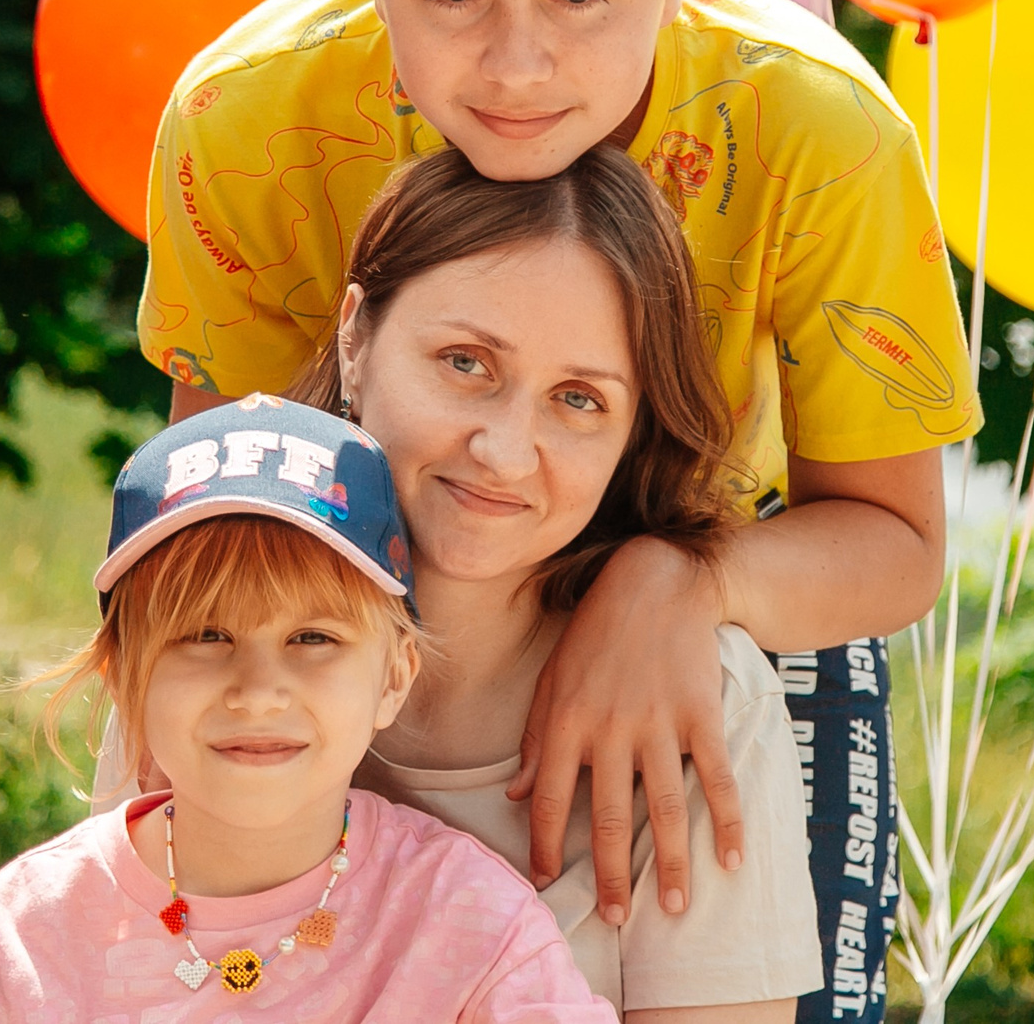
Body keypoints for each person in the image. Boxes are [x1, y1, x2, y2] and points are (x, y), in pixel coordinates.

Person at [140, 0, 976, 1022]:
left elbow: (894, 541)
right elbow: (219, 524)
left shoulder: (822, 130)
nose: (518, 64)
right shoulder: (246, 114)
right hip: (356, 599)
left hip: (737, 569)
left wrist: (679, 584)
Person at [106, 147, 823, 1018]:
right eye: (464, 363)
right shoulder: (204, 646)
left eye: (580, 399)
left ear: (635, 432)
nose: (504, 451)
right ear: (357, 336)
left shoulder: (700, 697)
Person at [0, 396, 616, 1022]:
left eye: (313, 638)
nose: (259, 690)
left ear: (393, 677)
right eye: (207, 635)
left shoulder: (471, 924)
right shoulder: (30, 931)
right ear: (124, 675)